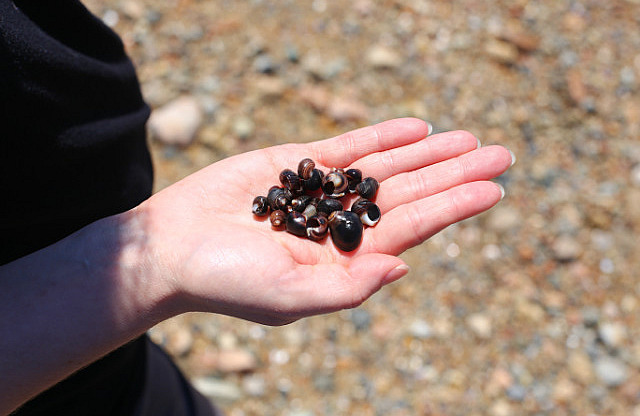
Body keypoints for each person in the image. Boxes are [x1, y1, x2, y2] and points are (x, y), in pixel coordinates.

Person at [0, 0, 515, 414]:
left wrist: (143, 257)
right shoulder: (313, 207)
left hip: (104, 352)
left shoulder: (320, 200)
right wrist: (152, 264)